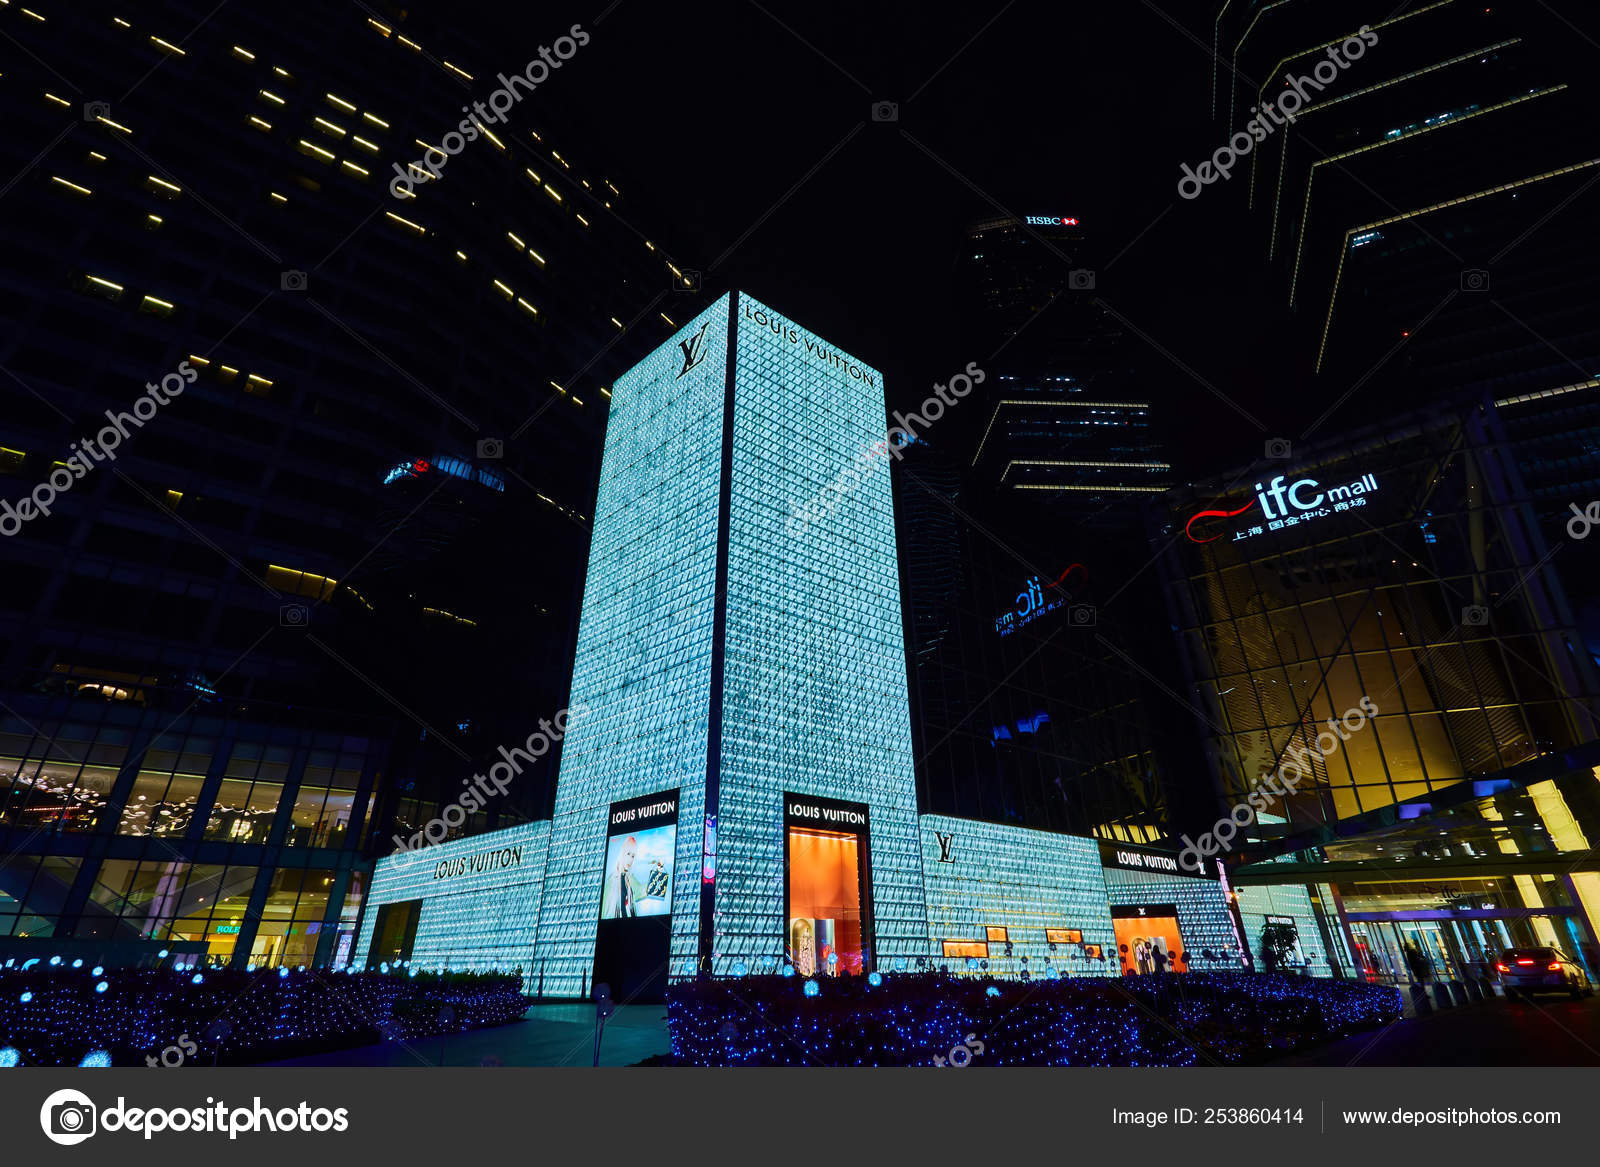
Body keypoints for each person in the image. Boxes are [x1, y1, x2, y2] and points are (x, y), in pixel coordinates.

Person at [599, 836, 644, 919]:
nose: (630, 859)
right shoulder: (612, 879)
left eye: (633, 856)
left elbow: (641, 890)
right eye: (628, 854)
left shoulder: (629, 878)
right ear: (622, 853)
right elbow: (605, 910)